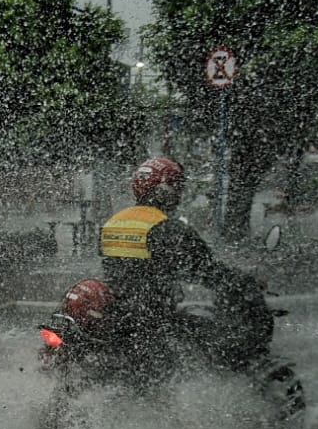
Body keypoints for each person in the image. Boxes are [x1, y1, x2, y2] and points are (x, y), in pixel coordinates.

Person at [60, 156, 273, 378]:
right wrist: (244, 280)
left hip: (123, 314)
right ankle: (224, 388)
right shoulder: (168, 229)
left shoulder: (113, 223)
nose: (180, 194)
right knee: (224, 345)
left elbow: (122, 267)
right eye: (177, 187)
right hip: (157, 320)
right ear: (167, 190)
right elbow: (208, 272)